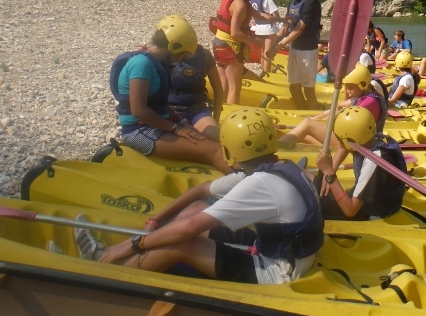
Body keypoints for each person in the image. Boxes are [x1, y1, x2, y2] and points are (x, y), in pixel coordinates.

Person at [87, 107, 324, 286]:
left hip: (277, 273)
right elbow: (200, 191)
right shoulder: (282, 168)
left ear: (230, 150)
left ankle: (107, 272)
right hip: (283, 252)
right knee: (196, 207)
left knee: (182, 243)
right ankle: (127, 257)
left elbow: (189, 229)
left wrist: (132, 245)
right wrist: (155, 222)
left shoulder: (260, 183)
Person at [110, 22, 232, 174]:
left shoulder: (155, 63)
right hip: (138, 132)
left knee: (205, 140)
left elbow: (158, 103)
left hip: (155, 125)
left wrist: (181, 122)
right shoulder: (142, 64)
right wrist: (175, 129)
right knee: (215, 151)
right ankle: (253, 189)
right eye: (181, 54)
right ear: (172, 48)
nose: (180, 59)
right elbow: (138, 111)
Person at [314, 106, 406, 220]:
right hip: (366, 203)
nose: (339, 143)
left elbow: (350, 210)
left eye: (339, 139)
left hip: (368, 212)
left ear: (352, 140)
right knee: (308, 179)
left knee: (310, 201)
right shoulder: (370, 139)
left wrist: (329, 173)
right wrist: (329, 170)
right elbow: (345, 147)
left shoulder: (373, 161)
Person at [277, 64, 386, 146]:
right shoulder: (366, 94)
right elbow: (338, 107)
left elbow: (335, 118)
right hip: (350, 140)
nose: (347, 92)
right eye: (346, 88)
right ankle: (282, 144)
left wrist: (312, 122)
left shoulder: (368, 103)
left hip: (358, 146)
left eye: (350, 88)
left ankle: (275, 150)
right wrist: (314, 119)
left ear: (363, 85)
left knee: (307, 125)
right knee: (305, 132)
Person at [158, 14, 224, 142]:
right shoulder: (163, 57)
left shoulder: (203, 55)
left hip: (197, 111)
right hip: (169, 112)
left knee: (215, 137)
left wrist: (215, 117)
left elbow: (218, 88)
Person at [211, 0, 265, 105]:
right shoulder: (240, 4)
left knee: (224, 84)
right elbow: (235, 32)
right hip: (230, 46)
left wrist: (281, 20)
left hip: (218, 43)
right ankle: (231, 116)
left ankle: (219, 113)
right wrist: (255, 42)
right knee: (235, 87)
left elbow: (258, 15)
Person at [273, 0, 322, 110]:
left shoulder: (310, 2)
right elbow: (286, 26)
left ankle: (314, 118)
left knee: (308, 90)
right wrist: (273, 45)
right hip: (295, 50)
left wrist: (280, 46)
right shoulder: (292, 3)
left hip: (307, 51)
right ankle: (304, 115)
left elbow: (299, 29)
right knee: (294, 89)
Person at [249, 0, 282, 76]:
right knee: (268, 53)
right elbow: (275, 15)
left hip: (258, 28)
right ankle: (267, 74)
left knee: (263, 52)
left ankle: (262, 72)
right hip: (269, 28)